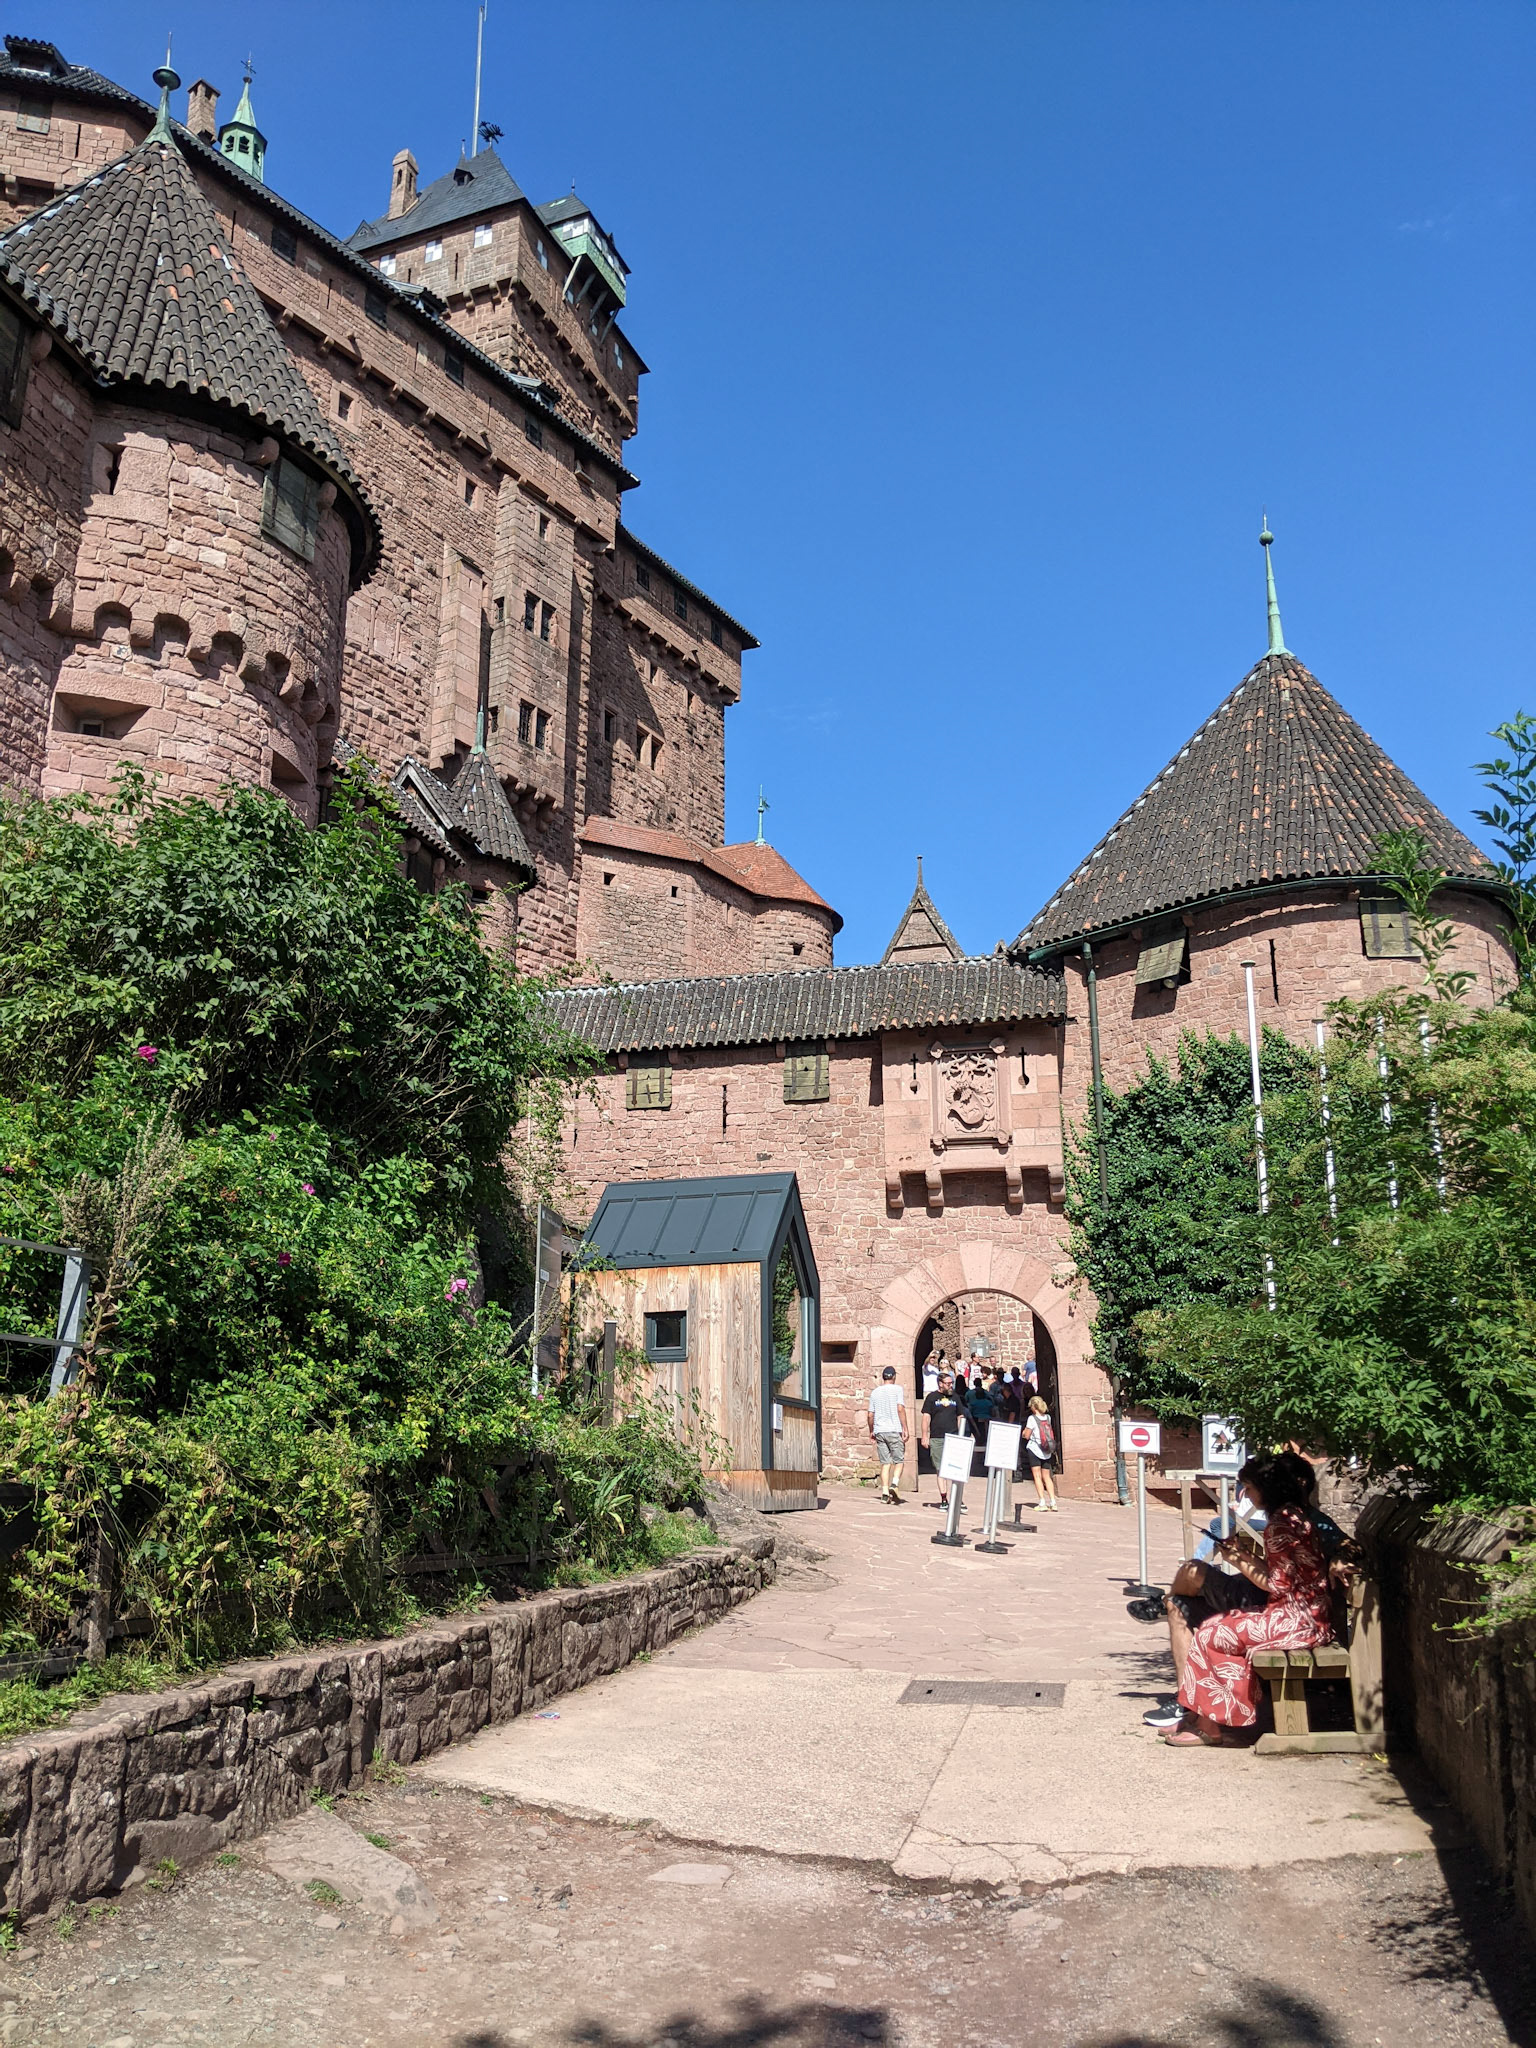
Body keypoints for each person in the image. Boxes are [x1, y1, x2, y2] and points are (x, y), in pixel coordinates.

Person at [1163, 1452, 1335, 1747]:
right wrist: (1242, 1555)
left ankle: (1209, 1727)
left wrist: (1238, 1561)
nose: (1247, 1494)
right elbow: (1283, 1573)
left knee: (1212, 1634)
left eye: (1251, 1488)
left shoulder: (1281, 1524)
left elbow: (1277, 1584)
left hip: (1297, 1621)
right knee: (1214, 1626)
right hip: (1307, 1616)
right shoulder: (1293, 1516)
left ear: (1267, 1488)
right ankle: (1202, 1714)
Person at [920, 1369, 966, 1507]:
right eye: (948, 1383)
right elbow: (926, 1417)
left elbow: (960, 1416)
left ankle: (957, 1498)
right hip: (937, 1437)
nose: (951, 1386)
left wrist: (961, 1434)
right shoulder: (932, 1398)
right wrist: (924, 1435)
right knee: (940, 1469)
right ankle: (944, 1499)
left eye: (952, 1383)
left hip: (953, 1437)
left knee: (955, 1469)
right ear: (940, 1384)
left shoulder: (955, 1397)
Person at [867, 1365, 909, 1505]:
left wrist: (871, 1430)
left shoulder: (875, 1392)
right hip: (894, 1429)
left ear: (883, 1377)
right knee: (899, 1461)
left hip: (880, 1430)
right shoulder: (897, 1389)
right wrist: (905, 1427)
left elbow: (870, 1414)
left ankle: (885, 1493)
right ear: (894, 1377)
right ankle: (894, 1484)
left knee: (885, 1463)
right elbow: (900, 1408)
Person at [1023, 1395, 1058, 1510]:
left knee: (1037, 1476)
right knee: (1047, 1477)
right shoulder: (1048, 1417)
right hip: (1046, 1449)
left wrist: (1023, 1432)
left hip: (1035, 1449)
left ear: (1033, 1407)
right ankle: (1053, 1502)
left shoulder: (1032, 1419)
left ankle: (1042, 1502)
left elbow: (1027, 1435)